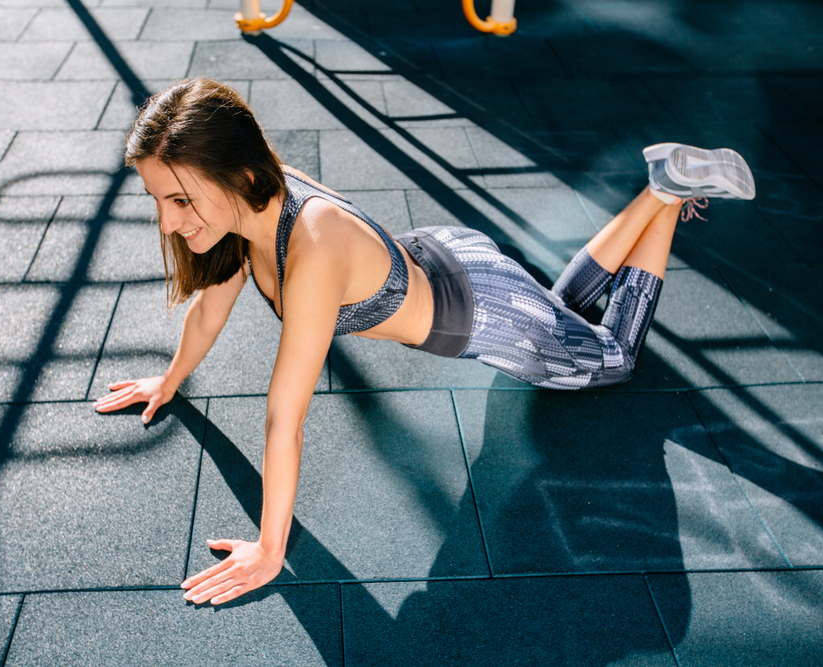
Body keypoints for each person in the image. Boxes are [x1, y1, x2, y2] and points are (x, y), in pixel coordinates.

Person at [93, 78, 756, 605]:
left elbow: (284, 415)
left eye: (179, 200)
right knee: (555, 313)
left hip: (483, 313)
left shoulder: (311, 246)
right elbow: (209, 314)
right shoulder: (254, 201)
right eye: (159, 201)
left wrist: (270, 550)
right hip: (450, 262)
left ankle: (666, 195)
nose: (169, 221)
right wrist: (170, 379)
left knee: (613, 358)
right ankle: (657, 190)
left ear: (236, 176)